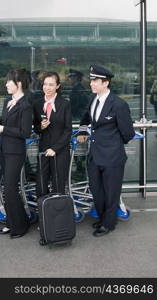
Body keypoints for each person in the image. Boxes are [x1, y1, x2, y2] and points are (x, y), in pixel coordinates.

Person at [77, 65, 135, 237]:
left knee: (111, 192)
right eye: (92, 80)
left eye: (95, 81)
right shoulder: (92, 99)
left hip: (112, 157)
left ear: (105, 83)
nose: (92, 83)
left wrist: (113, 145)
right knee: (97, 190)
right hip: (95, 155)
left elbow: (128, 133)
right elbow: (86, 117)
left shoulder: (118, 104)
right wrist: (82, 130)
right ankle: (103, 218)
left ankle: (108, 224)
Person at [0, 69, 33, 239]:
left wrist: (4, 129)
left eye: (9, 81)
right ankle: (12, 223)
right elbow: (6, 120)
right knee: (8, 188)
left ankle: (20, 226)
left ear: (19, 83)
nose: (6, 84)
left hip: (16, 152)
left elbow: (25, 132)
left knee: (11, 189)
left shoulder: (26, 105)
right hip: (5, 149)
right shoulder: (8, 100)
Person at [33, 71, 72, 197]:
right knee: (41, 185)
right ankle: (43, 213)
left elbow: (68, 130)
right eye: (45, 84)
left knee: (58, 185)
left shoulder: (65, 104)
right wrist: (41, 127)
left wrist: (55, 148)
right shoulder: (38, 104)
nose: (47, 87)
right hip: (43, 149)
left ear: (58, 86)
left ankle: (57, 214)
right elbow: (35, 128)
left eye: (51, 84)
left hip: (60, 151)